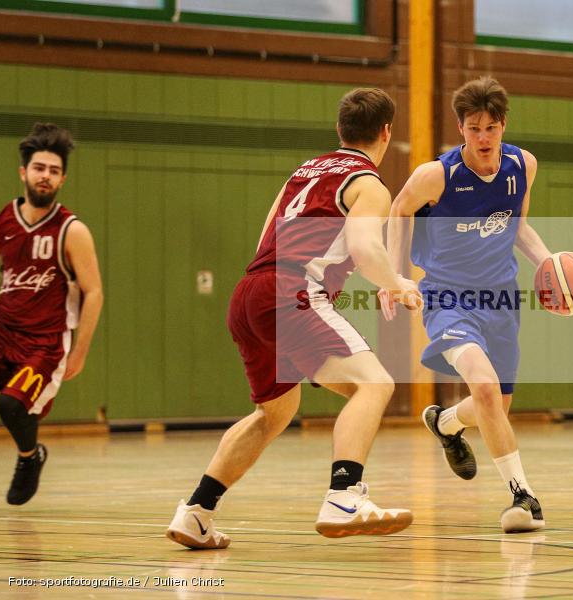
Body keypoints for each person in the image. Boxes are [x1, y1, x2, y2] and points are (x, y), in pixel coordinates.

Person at [167, 88, 421, 548]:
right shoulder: (369, 184)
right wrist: (397, 283)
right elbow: (366, 248)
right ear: (386, 132)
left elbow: (268, 234)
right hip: (292, 293)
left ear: (340, 129)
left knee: (274, 412)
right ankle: (344, 496)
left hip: (250, 292)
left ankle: (196, 513)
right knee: (375, 384)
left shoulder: (303, 172)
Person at [383, 76, 551, 533]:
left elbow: (517, 227)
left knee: (496, 405)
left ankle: (446, 423)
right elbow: (399, 209)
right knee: (485, 387)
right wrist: (395, 275)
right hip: (448, 298)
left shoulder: (523, 165)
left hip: (501, 298)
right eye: (473, 128)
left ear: (503, 125)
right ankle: (523, 497)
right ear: (460, 128)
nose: (483, 137)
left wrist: (549, 262)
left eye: (490, 128)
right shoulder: (437, 176)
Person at [0, 123, 104, 505]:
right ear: (23, 172)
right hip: (2, 333)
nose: (46, 176)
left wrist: (80, 352)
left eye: (54, 171)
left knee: (11, 405)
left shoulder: (71, 230)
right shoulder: (3, 222)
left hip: (43, 343)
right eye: (40, 168)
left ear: (62, 179)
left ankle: (30, 457)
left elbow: (94, 292)